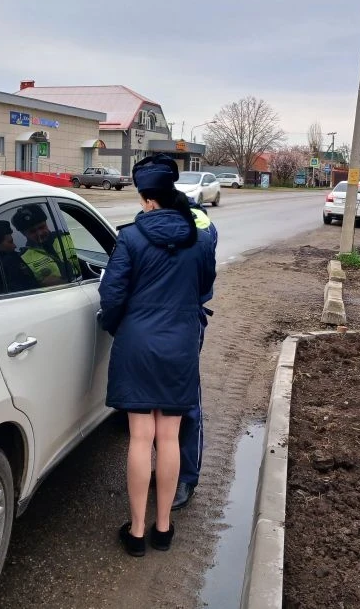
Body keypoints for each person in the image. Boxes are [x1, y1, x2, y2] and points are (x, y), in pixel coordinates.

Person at [100, 154, 216, 557]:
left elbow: (112, 294)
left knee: (140, 437)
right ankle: (163, 528)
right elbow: (205, 287)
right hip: (180, 343)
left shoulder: (130, 238)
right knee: (169, 437)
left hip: (138, 342)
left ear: (148, 200)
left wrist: (119, 326)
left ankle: (135, 532)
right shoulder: (200, 238)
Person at [173, 196, 218, 511]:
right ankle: (171, 467)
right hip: (169, 322)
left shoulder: (199, 226)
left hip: (186, 321)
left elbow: (204, 287)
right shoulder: (156, 217)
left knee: (187, 403)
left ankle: (186, 477)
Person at [11, 203, 80, 286]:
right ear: (23, 234)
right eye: (32, 231)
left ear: (46, 223)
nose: (39, 233)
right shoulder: (23, 258)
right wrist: (41, 285)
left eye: (41, 227)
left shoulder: (68, 238)